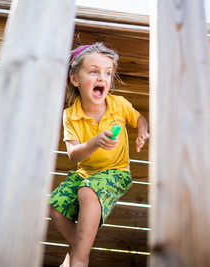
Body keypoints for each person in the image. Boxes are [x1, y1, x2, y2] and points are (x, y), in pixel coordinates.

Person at [49, 42, 149, 267]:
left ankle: (80, 260)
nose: (102, 77)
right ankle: (78, 248)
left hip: (117, 171)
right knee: (55, 207)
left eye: (107, 73)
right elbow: (74, 155)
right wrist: (94, 143)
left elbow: (139, 119)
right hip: (84, 172)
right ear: (75, 79)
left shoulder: (119, 105)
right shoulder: (70, 115)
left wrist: (142, 132)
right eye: (93, 71)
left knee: (87, 191)